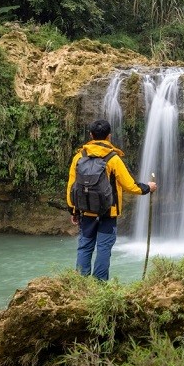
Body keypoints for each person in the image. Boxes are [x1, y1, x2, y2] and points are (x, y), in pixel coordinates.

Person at [66, 119, 157, 280]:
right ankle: (99, 284)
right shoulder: (113, 159)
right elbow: (129, 185)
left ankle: (80, 282)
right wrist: (147, 188)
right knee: (103, 249)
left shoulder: (79, 157)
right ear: (109, 137)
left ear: (91, 135)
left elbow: (72, 186)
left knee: (85, 247)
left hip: (85, 211)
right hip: (108, 212)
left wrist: (73, 210)